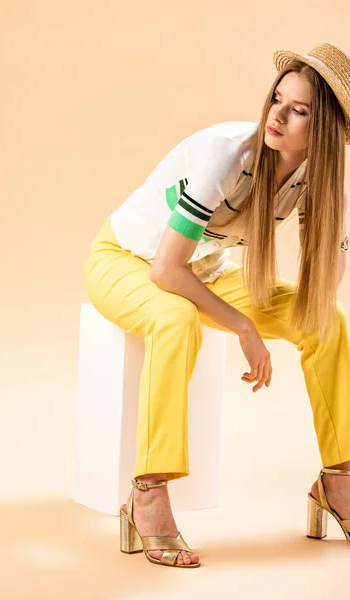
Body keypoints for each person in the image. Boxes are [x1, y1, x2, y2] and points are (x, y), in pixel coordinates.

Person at [83, 43, 350, 568]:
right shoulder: (229, 154)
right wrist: (244, 327)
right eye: (278, 98)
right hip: (125, 258)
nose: (276, 114)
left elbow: (328, 277)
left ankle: (338, 479)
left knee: (328, 323)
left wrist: (310, 309)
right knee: (176, 318)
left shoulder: (322, 175)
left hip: (203, 268)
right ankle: (147, 491)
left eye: (298, 110)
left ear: (326, 131)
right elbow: (164, 271)